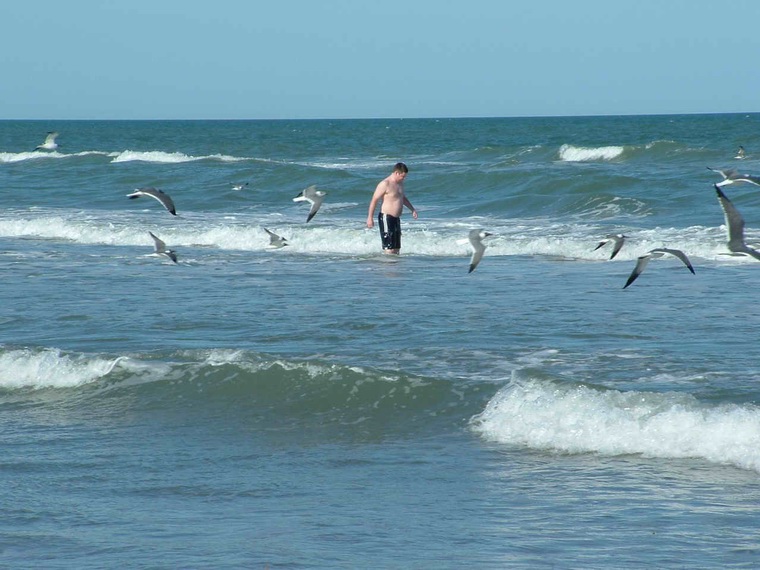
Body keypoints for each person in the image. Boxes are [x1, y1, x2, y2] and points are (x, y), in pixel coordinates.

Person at [366, 162, 418, 254]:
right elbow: (374, 200)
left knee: (397, 248)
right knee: (389, 248)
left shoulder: (400, 183)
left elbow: (402, 197)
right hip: (386, 217)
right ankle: (387, 267)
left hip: (396, 219)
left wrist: (412, 209)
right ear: (396, 173)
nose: (404, 178)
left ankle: (395, 267)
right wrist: (370, 218)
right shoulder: (385, 184)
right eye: (402, 176)